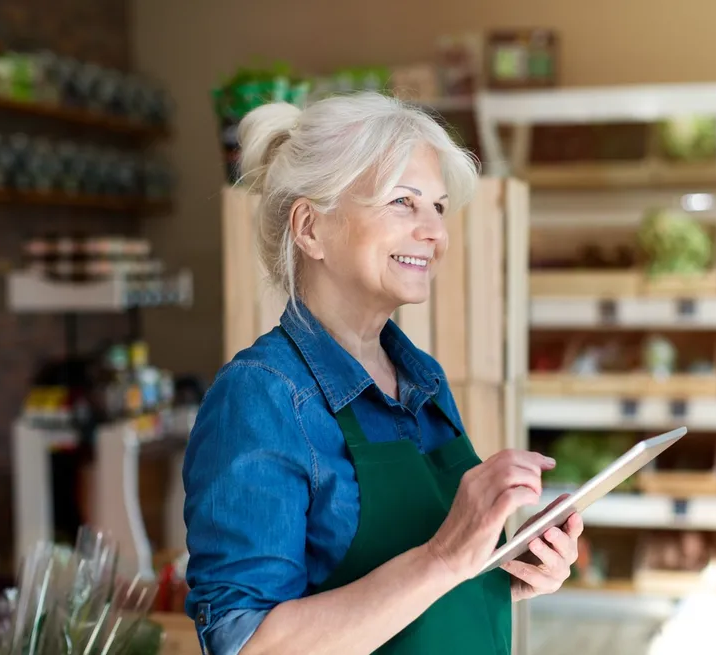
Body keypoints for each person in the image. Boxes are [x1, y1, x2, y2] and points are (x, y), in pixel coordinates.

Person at [183, 91, 583, 655]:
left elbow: (423, 598)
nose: (434, 233)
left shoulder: (423, 380)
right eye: (403, 202)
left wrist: (499, 570)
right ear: (310, 228)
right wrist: (445, 557)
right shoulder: (261, 397)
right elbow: (245, 646)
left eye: (439, 208)